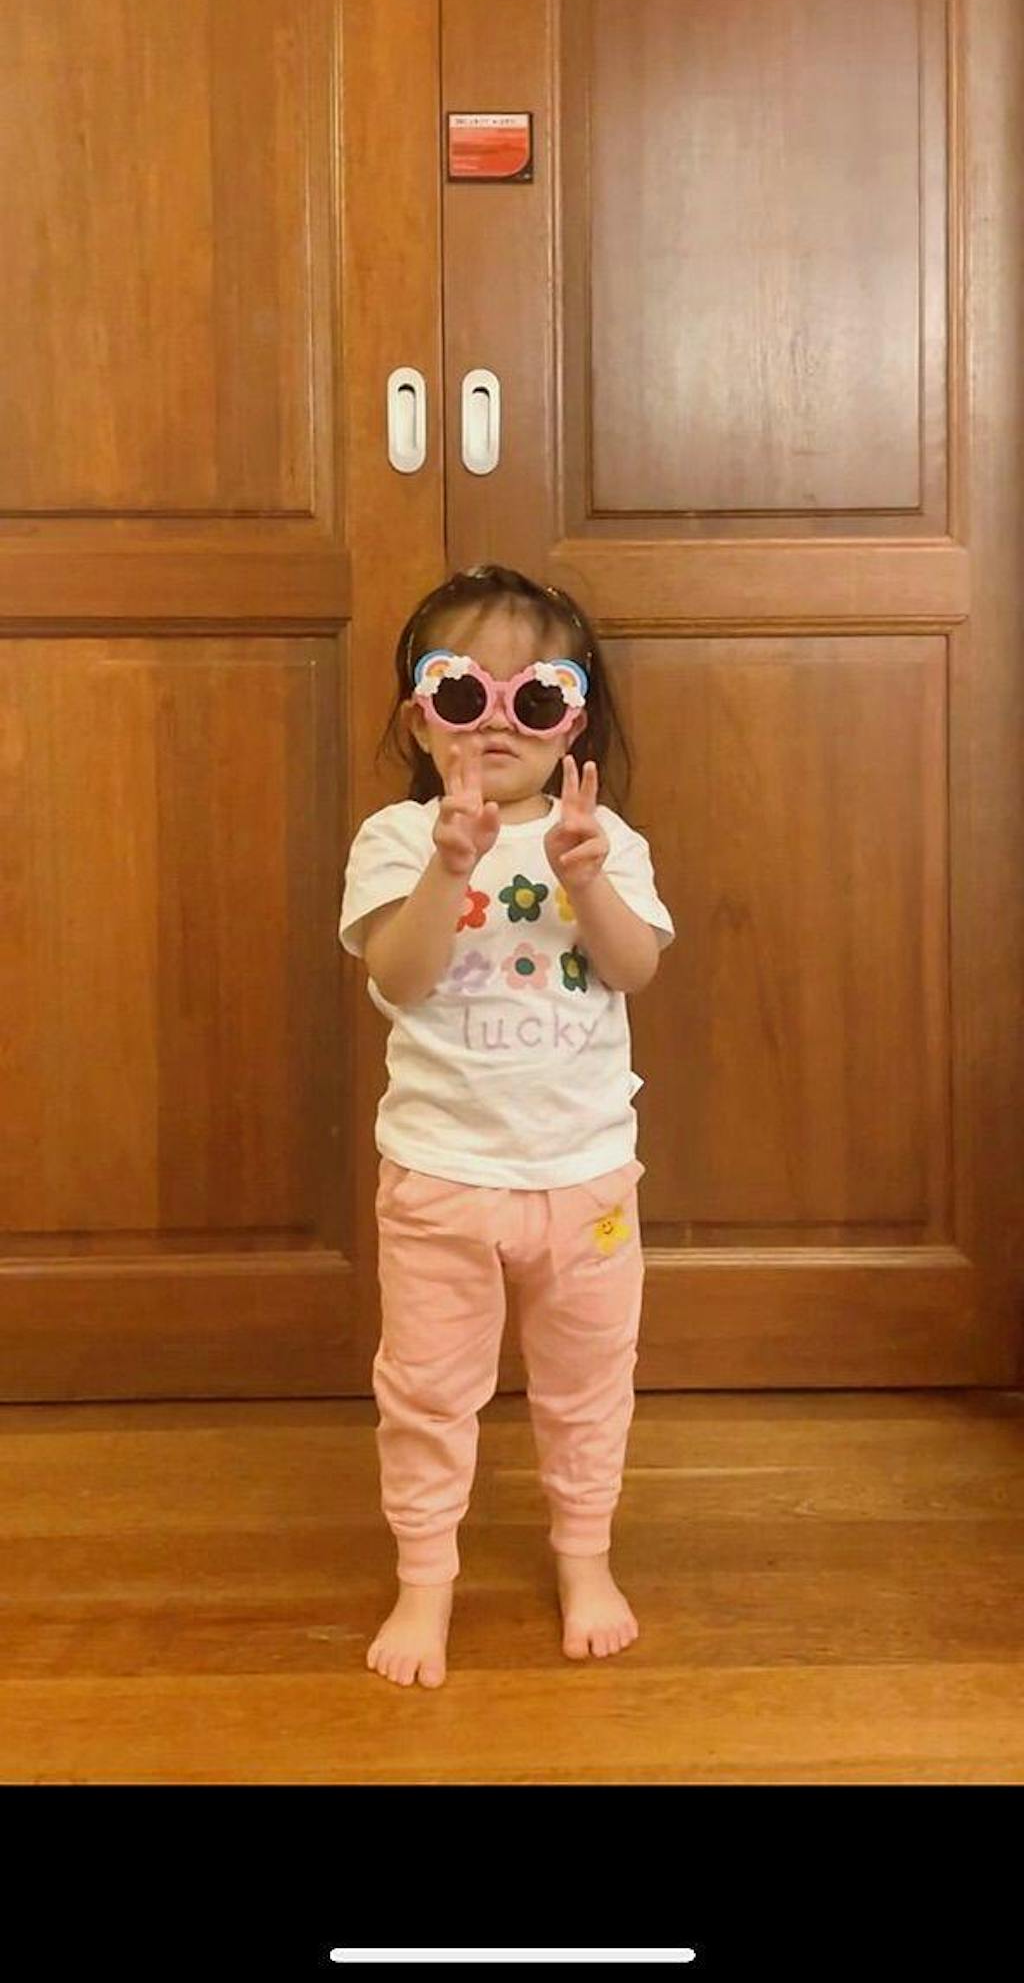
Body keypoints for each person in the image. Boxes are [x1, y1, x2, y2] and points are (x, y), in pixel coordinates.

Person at [339, 563, 675, 1687]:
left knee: (590, 1384)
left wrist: (590, 880)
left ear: (569, 721)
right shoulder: (397, 838)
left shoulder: (603, 837)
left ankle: (585, 1556)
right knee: (427, 1390)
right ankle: (424, 1577)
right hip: (442, 1176)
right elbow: (400, 977)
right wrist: (451, 866)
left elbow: (633, 969)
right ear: (419, 718)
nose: (494, 723)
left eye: (530, 698)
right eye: (460, 692)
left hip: (586, 1179)